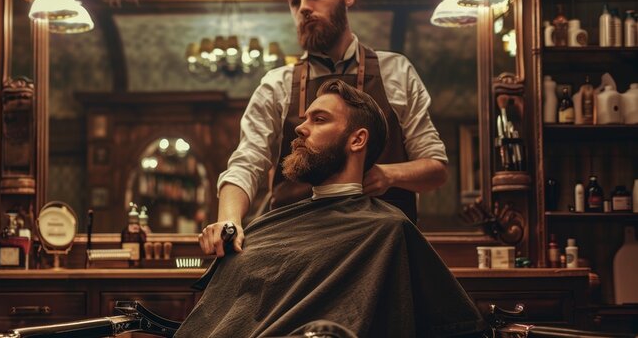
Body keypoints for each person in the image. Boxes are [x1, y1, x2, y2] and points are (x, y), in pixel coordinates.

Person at [179, 79, 486, 337]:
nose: (300, 128)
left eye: (319, 119)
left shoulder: (388, 230)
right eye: (305, 118)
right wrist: (228, 221)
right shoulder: (262, 228)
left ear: (357, 140)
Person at [206, 0, 448, 256]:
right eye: (294, 1)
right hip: (296, 250)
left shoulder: (397, 71)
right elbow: (247, 162)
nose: (304, 8)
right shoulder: (276, 84)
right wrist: (228, 219)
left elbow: (436, 168)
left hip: (381, 249)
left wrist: (388, 175)